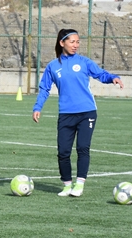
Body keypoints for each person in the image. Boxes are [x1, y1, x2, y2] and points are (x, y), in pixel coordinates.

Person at [33, 28, 123, 197]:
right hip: (66, 114)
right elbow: (44, 88)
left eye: (78, 42)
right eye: (72, 41)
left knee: (82, 148)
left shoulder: (84, 62)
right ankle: (67, 185)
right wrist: (38, 107)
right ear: (62, 43)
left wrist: (113, 78)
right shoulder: (53, 66)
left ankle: (80, 183)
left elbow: (100, 74)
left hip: (87, 112)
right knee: (63, 151)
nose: (76, 45)